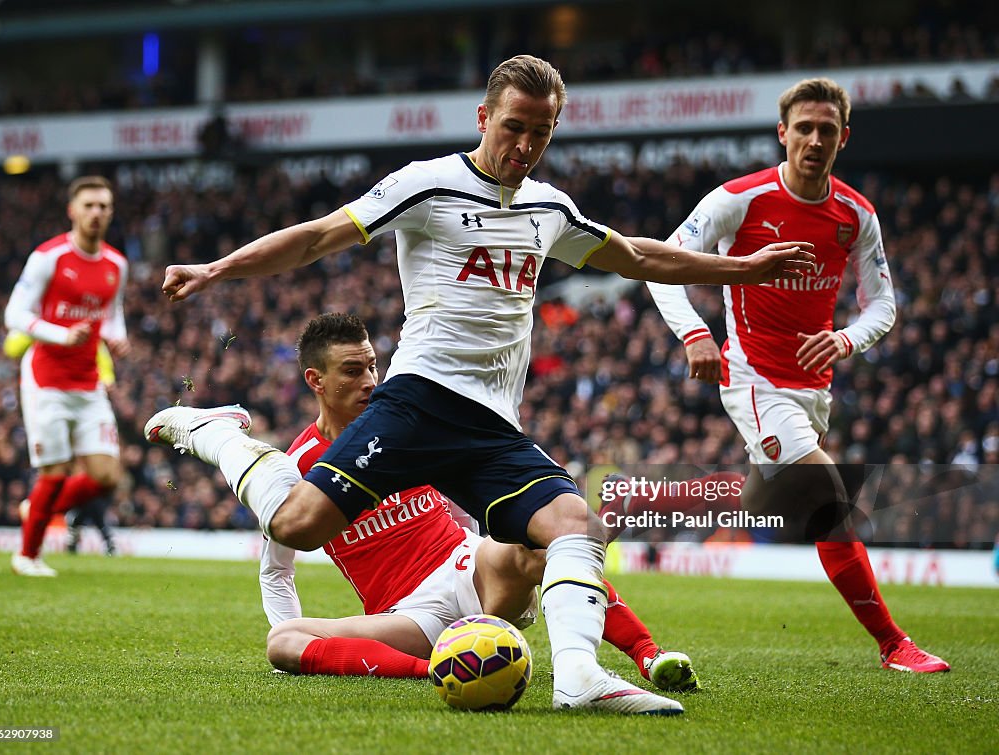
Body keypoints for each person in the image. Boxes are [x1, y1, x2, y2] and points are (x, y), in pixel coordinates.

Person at [145, 55, 814, 714]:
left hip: (491, 425)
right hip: (417, 401)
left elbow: (638, 254)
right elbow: (319, 237)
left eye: (542, 132)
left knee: (576, 523)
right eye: (514, 126)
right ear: (484, 116)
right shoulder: (427, 185)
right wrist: (216, 269)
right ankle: (221, 435)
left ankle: (580, 677)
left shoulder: (550, 208)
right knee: (297, 524)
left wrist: (742, 270)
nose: (526, 145)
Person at [644, 77, 949, 673]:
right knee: (829, 496)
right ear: (783, 133)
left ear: (843, 138)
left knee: (765, 501)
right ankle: (893, 644)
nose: (814, 139)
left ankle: (661, 504)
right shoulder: (739, 198)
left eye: (826, 130)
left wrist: (845, 338)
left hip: (814, 388)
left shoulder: (856, 215)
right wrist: (696, 334)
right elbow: (662, 265)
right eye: (803, 128)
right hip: (753, 377)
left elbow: (882, 305)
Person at [261, 314, 698, 697]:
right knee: (283, 641)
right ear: (315, 380)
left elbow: (469, 487)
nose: (370, 382)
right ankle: (435, 668)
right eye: (352, 371)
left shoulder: (405, 425)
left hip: (469, 568)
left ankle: (649, 656)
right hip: (411, 617)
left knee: (545, 550)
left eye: (373, 366)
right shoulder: (296, 468)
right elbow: (277, 568)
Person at [4, 175, 129, 576]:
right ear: (72, 210)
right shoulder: (49, 257)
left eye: (103, 206)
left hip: (88, 381)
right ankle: (27, 556)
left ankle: (38, 506)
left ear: (110, 212)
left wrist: (116, 337)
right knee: (55, 472)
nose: (96, 213)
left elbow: (111, 313)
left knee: (106, 476)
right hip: (46, 380)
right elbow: (15, 315)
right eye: (89, 205)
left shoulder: (116, 264)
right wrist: (60, 333)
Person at [3, 329, 119, 557]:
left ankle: (47, 513)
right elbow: (12, 347)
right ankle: (32, 552)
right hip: (47, 396)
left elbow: (96, 346)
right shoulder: (45, 312)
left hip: (86, 398)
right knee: (59, 473)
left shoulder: (85, 314)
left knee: (103, 475)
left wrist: (106, 377)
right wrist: (50, 330)